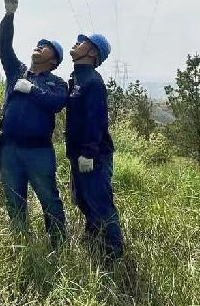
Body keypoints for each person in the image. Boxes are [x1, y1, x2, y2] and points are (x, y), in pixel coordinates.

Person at [0, 0, 68, 248]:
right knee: (14, 200)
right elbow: (4, 47)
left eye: (45, 46)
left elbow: (57, 102)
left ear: (54, 60)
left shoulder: (56, 83)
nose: (38, 46)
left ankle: (59, 246)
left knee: (49, 199)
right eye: (38, 44)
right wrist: (9, 15)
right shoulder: (17, 71)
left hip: (38, 152)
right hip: (10, 150)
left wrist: (32, 89)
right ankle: (21, 246)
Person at [66, 33, 124, 260]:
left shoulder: (92, 82)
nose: (76, 42)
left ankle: (115, 254)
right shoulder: (77, 79)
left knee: (100, 203)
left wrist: (89, 152)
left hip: (94, 156)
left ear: (92, 52)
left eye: (82, 42)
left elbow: (96, 118)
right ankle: (94, 241)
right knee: (83, 200)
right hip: (78, 154)